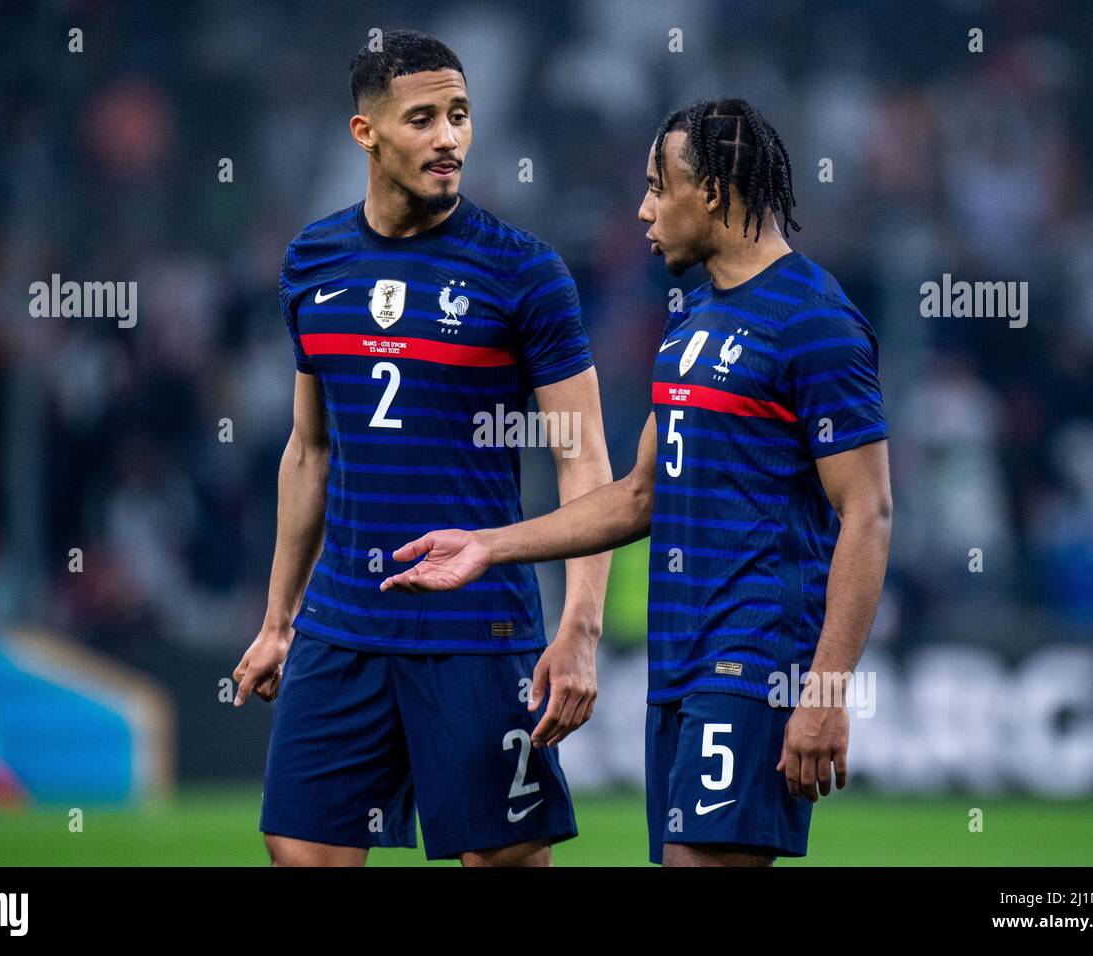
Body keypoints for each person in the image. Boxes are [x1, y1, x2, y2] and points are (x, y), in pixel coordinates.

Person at [381, 98, 893, 867]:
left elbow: (870, 512)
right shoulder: (691, 330)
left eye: (659, 186)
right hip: (677, 665)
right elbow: (637, 497)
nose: (644, 208)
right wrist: (488, 546)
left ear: (713, 192)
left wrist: (823, 692)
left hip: (755, 660)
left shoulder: (816, 323)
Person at [233, 30, 613, 867]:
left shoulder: (525, 273)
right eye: (424, 118)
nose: (449, 138)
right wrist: (277, 620)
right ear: (365, 134)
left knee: (503, 861)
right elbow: (308, 451)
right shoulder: (313, 261)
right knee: (297, 848)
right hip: (344, 621)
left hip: (477, 628)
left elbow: (582, 457)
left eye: (461, 115)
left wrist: (581, 624)